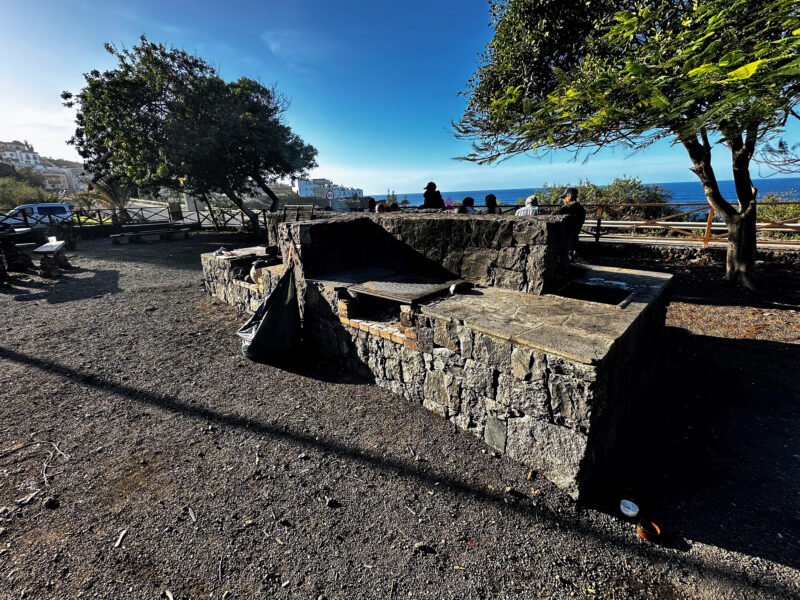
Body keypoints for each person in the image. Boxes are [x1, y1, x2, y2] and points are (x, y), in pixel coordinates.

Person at [557, 187, 586, 258]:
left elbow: (558, 220)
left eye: (564, 197)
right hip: (575, 234)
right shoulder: (581, 208)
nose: (563, 200)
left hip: (564, 237)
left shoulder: (566, 208)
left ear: (569, 196)